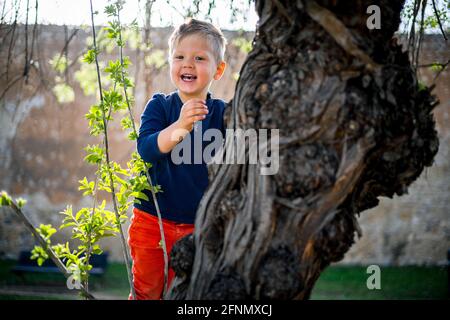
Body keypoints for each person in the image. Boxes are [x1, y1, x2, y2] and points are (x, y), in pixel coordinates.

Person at [128, 18, 228, 300]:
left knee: (183, 294)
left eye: (199, 58)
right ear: (171, 62)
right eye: (180, 57)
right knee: (147, 291)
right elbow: (147, 149)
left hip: (198, 226)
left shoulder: (223, 115)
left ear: (218, 70)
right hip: (152, 220)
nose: (188, 64)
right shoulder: (160, 106)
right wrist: (181, 125)